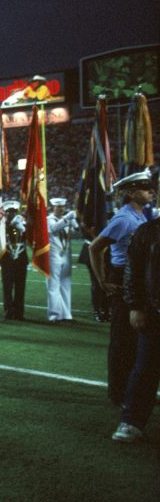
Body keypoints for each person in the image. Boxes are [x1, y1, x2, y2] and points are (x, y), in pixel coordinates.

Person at [89, 170, 154, 407]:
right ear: (130, 192)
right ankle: (119, 393)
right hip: (123, 277)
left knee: (136, 339)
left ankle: (133, 390)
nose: (151, 191)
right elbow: (95, 248)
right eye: (144, 187)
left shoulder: (140, 216)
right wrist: (103, 281)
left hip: (136, 278)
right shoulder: (124, 218)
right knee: (122, 339)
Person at [112, 170, 160, 442]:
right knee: (145, 369)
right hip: (154, 312)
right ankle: (131, 422)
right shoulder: (148, 231)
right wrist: (135, 307)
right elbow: (133, 271)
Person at [46, 198, 79, 322]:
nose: (61, 209)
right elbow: (54, 229)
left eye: (63, 207)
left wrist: (75, 223)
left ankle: (66, 314)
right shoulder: (48, 220)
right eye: (59, 207)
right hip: (53, 253)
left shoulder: (67, 219)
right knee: (53, 284)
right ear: (53, 208)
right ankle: (54, 314)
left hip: (66, 253)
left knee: (66, 284)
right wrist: (67, 219)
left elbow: (76, 232)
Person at [0, 201, 28, 321]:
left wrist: (22, 227)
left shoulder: (22, 225)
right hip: (7, 259)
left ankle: (19, 312)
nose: (11, 214)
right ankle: (8, 310)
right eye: (9, 212)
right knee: (7, 287)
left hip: (21, 259)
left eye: (14, 212)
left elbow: (29, 236)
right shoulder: (2, 226)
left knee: (20, 287)